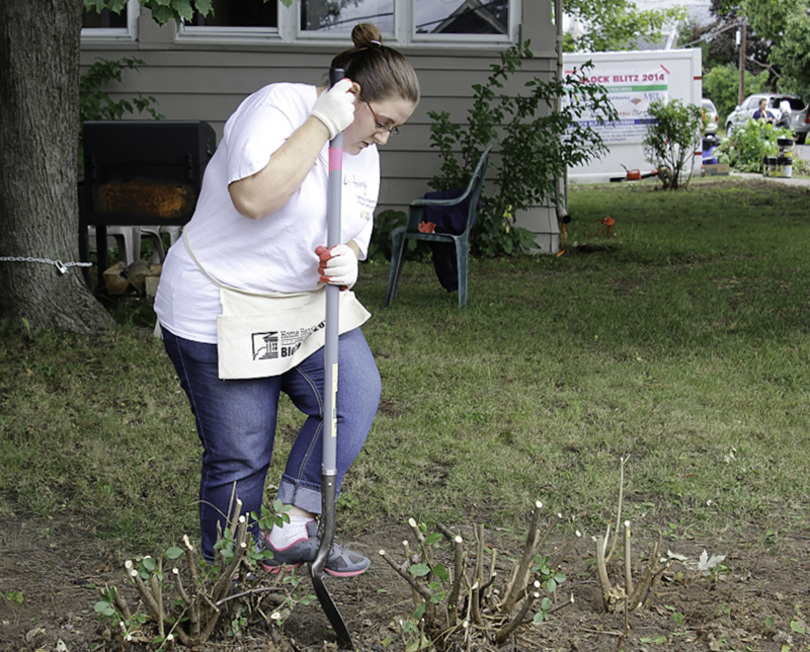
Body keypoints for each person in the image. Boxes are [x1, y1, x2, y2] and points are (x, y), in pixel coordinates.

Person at [154, 23, 419, 576]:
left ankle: (289, 527)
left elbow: (353, 232)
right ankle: (229, 576)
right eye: (383, 123)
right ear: (351, 95)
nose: (384, 139)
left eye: (395, 128)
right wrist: (323, 124)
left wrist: (349, 259)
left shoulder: (364, 150)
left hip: (302, 306)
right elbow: (254, 197)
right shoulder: (278, 106)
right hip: (221, 304)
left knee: (353, 397)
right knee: (242, 453)